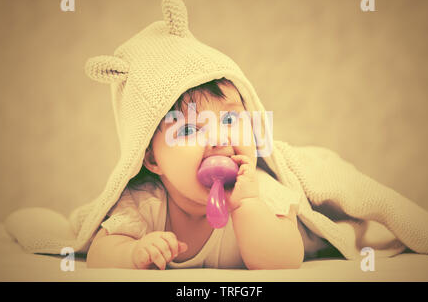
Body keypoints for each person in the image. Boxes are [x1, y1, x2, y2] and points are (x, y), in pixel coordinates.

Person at [86, 77, 308, 270]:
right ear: (153, 159)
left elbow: (286, 259)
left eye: (229, 120)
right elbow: (98, 254)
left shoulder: (258, 191)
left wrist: (247, 205)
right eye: (188, 130)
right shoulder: (145, 201)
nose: (219, 138)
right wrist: (132, 253)